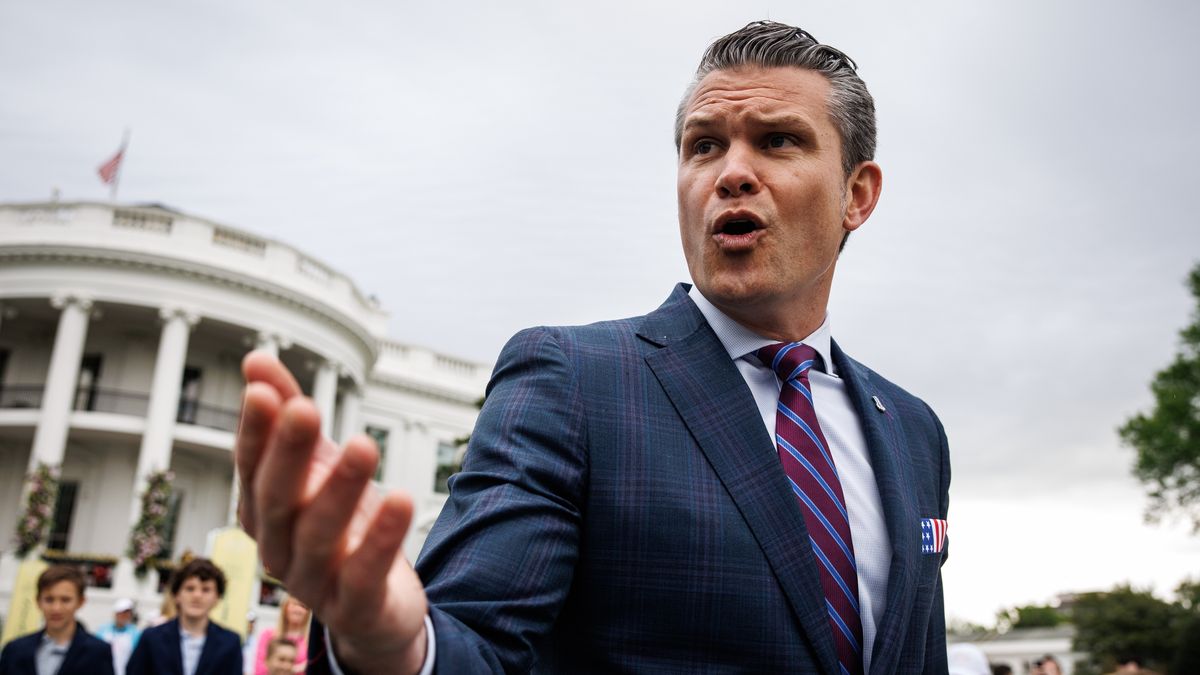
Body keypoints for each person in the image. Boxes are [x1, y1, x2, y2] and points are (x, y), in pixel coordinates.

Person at [235, 20, 951, 675]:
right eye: (704, 145)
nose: (730, 172)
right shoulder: (571, 381)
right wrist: (393, 644)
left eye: (777, 140)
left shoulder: (914, 431)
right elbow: (475, 641)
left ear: (857, 192)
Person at [125, 558, 242, 675]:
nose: (197, 595)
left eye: (206, 589)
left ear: (217, 597)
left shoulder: (230, 643)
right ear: (177, 595)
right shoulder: (152, 639)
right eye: (190, 588)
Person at [0, 564, 115, 675]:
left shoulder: (98, 652)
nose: (56, 608)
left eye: (65, 600)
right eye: (49, 599)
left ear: (80, 602)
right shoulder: (14, 650)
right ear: (38, 601)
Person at [253, 595, 309, 675]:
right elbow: (259, 670)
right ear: (285, 607)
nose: (298, 609)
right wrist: (297, 669)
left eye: (303, 606)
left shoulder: (312, 642)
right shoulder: (268, 635)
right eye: (294, 604)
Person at [95, 597, 141, 675]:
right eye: (122, 613)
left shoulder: (135, 633)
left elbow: (138, 659)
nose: (124, 616)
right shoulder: (103, 630)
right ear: (116, 614)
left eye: (127, 613)